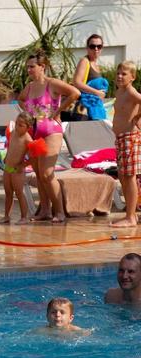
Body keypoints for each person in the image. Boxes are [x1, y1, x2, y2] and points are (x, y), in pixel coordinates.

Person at [19, 51, 80, 224]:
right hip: (34, 132)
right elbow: (20, 100)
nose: (29, 70)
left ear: (42, 67)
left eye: (32, 67)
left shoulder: (51, 84)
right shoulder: (29, 87)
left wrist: (58, 111)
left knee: (47, 173)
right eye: (27, 67)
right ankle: (45, 210)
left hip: (51, 131)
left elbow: (75, 93)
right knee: (39, 174)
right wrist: (28, 112)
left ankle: (59, 211)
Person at [110, 61, 141, 228]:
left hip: (130, 137)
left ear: (132, 77)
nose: (119, 76)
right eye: (118, 73)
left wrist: (137, 117)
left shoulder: (130, 91)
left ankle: (130, 217)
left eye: (124, 74)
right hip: (121, 138)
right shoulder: (120, 91)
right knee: (123, 176)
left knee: (129, 177)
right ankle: (131, 214)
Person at [0, 111, 35, 224]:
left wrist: (23, 165)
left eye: (21, 125)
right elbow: (11, 147)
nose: (17, 126)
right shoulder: (13, 133)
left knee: (19, 193)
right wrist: (6, 157)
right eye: (16, 123)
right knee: (8, 193)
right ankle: (6, 216)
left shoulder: (28, 139)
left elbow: (33, 158)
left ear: (28, 127)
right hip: (7, 168)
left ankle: (24, 217)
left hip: (17, 171)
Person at [72, 34, 108, 121]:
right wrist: (97, 93)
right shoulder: (84, 61)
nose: (96, 49)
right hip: (85, 108)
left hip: (94, 106)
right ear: (87, 48)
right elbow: (77, 82)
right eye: (92, 46)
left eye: (99, 46)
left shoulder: (96, 64)